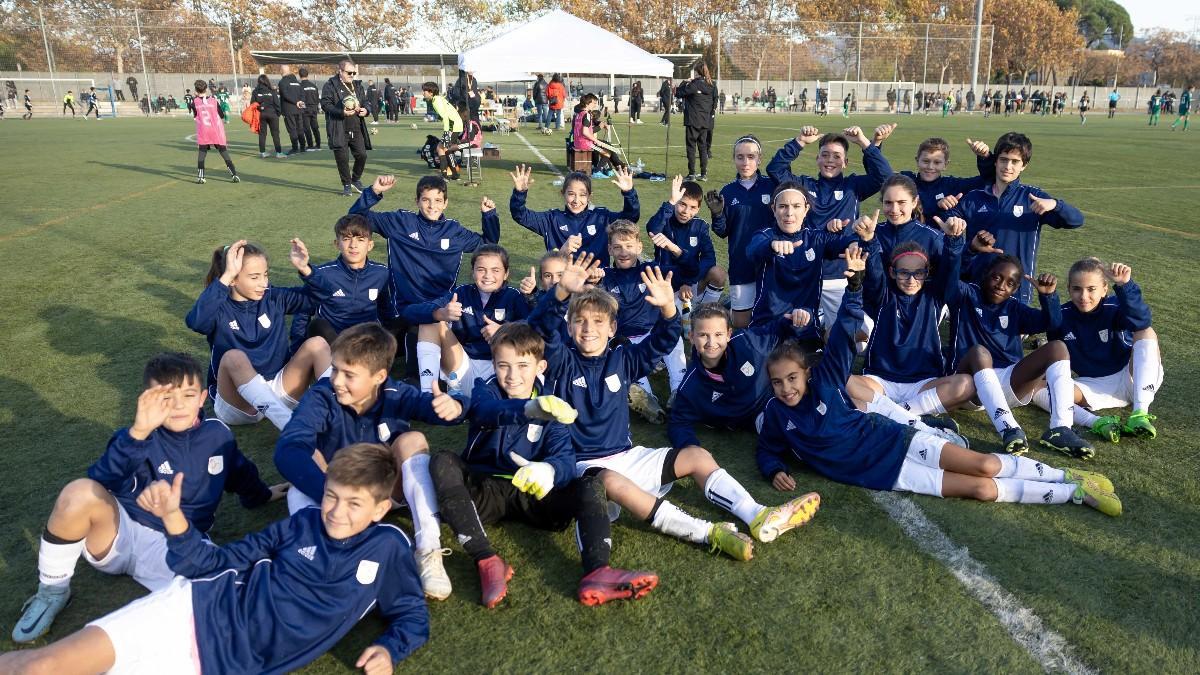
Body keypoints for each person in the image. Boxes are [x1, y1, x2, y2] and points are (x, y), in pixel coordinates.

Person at [1, 443, 431, 675]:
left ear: (379, 510)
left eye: (354, 505)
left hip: (222, 665)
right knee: (43, 666)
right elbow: (212, 564)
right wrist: (173, 519)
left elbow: (412, 613)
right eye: (332, 497)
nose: (336, 512)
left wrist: (389, 650)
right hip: (190, 610)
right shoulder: (300, 526)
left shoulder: (389, 546)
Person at [758, 247, 1121, 518]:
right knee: (979, 488)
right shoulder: (777, 413)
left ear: (808, 373)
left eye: (792, 378)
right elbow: (768, 447)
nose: (786, 388)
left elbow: (842, 336)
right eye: (777, 383)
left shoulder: (825, 384)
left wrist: (853, 286)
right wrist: (773, 468)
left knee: (985, 466)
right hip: (886, 474)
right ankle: (1075, 492)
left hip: (893, 437)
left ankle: (1068, 475)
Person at [527, 253, 822, 563]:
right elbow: (540, 329)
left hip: (627, 456)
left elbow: (664, 339)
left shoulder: (622, 359)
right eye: (580, 321)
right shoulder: (561, 360)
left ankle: (758, 515)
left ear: (612, 327)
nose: (589, 328)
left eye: (598, 321)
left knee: (696, 456)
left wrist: (669, 307)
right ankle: (707, 532)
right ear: (570, 327)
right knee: (611, 480)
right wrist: (561, 292)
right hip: (583, 468)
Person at [9, 353, 283, 644]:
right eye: (166, 397)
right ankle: (53, 590)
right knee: (78, 492)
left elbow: (237, 471)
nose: (178, 405)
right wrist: (138, 431)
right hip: (117, 535)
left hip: (178, 542)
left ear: (202, 397)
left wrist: (261, 495)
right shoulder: (135, 436)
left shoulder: (218, 435)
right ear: (147, 400)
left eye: (188, 395)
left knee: (220, 592)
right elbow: (102, 481)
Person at [430, 322, 660, 607]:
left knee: (590, 483)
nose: (513, 376)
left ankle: (598, 570)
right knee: (442, 460)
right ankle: (486, 559)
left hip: (533, 496)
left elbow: (564, 457)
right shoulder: (484, 390)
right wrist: (526, 409)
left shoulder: (553, 403)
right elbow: (486, 412)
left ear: (540, 367)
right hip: (485, 490)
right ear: (493, 364)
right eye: (503, 365)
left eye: (523, 366)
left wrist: (549, 470)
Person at [274, 324, 467, 599]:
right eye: (335, 369)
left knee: (413, 440)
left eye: (348, 374)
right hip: (341, 494)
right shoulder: (321, 395)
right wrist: (332, 494)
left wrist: (456, 405)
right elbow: (288, 449)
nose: (336, 380)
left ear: (379, 376)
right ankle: (318, 553)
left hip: (385, 493)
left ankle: (428, 549)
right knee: (301, 475)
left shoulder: (396, 392)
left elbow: (461, 408)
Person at [348, 174, 500, 391]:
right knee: (379, 346)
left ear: (445, 202)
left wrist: (489, 216)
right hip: (402, 308)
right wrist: (374, 192)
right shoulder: (400, 222)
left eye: (438, 200)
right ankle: (413, 372)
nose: (432, 205)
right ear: (417, 201)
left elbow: (488, 244)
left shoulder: (454, 231)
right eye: (426, 199)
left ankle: (419, 379)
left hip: (441, 307)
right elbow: (355, 220)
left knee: (423, 328)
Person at [949, 253, 1094, 458]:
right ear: (985, 275)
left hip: (1008, 382)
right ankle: (1008, 428)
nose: (1001, 285)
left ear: (1016, 289)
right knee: (980, 352)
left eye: (1010, 283)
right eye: (996, 277)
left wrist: (1048, 296)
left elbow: (1052, 323)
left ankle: (1060, 428)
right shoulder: (967, 295)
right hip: (969, 385)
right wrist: (956, 245)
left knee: (1057, 347)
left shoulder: (1014, 308)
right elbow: (948, 283)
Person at [186, 240, 331, 431]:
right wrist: (226, 275)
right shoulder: (218, 305)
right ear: (233, 279)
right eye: (254, 277)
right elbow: (196, 322)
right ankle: (291, 426)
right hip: (239, 404)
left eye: (265, 275)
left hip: (279, 387)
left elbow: (324, 296)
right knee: (233, 357)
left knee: (317, 344)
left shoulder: (272, 296)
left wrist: (306, 269)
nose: (263, 283)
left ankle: (339, 412)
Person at [767, 124, 896, 329]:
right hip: (807, 272)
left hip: (840, 274)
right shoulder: (804, 186)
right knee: (796, 333)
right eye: (825, 155)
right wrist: (800, 142)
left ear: (845, 162)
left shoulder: (853, 186)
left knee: (858, 337)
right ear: (817, 159)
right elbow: (775, 169)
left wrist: (864, 142)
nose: (830, 160)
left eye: (837, 156)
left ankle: (826, 325)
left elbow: (886, 176)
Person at [858, 206, 976, 423]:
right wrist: (869, 241)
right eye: (904, 272)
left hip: (924, 383)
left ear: (927, 273)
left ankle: (898, 413)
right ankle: (916, 414)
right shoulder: (882, 294)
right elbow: (874, 273)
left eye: (918, 273)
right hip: (881, 380)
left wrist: (954, 241)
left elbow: (951, 274)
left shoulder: (935, 295)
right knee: (843, 383)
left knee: (966, 384)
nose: (911, 279)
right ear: (892, 272)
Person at [946, 132, 1084, 306]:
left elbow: (1077, 220)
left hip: (1016, 290)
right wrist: (951, 218)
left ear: (1024, 166)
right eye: (1003, 160)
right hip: (976, 285)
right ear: (995, 161)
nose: (1008, 166)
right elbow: (950, 219)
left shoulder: (1033, 197)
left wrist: (1056, 204)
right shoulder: (974, 197)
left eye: (1015, 161)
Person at [1044, 259, 1162, 441]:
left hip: (1131, 377)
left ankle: (1140, 412)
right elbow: (1054, 352)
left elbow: (1141, 320)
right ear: (1068, 289)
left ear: (1104, 289)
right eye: (1077, 289)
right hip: (1093, 386)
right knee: (1041, 390)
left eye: (1091, 289)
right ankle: (1097, 422)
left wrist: (1125, 285)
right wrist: (1048, 299)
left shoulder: (1113, 307)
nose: (1084, 296)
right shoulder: (1061, 315)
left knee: (1146, 331)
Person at [404, 244, 531, 398]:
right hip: (462, 365)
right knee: (430, 321)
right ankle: (428, 394)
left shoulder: (514, 296)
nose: (487, 275)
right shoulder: (462, 293)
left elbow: (535, 328)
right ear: (472, 272)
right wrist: (441, 313)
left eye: (495, 270)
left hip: (499, 369)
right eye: (481, 269)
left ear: (506, 274)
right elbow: (410, 313)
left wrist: (505, 331)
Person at [600, 219, 685, 422]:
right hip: (624, 340)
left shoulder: (652, 270)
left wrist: (675, 250)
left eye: (629, 246)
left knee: (676, 341)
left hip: (652, 335)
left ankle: (679, 391)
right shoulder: (605, 276)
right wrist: (592, 282)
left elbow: (689, 271)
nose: (624, 251)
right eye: (618, 247)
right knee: (624, 358)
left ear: (639, 247)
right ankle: (648, 401)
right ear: (609, 249)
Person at [509, 164, 638, 267]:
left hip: (598, 284)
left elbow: (630, 218)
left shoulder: (602, 217)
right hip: (562, 284)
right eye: (571, 194)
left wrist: (629, 193)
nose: (576, 200)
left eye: (582, 195)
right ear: (563, 194)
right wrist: (520, 193)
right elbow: (520, 215)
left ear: (589, 196)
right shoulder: (551, 219)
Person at [290, 213, 388, 342]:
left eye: (360, 239)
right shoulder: (322, 274)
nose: (353, 245)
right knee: (318, 325)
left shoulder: (382, 273)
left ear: (370, 245)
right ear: (337, 244)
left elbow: (387, 310)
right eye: (347, 239)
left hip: (365, 341)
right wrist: (297, 348)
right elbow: (303, 312)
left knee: (407, 319)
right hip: (333, 340)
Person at [711, 135, 776, 328]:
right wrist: (717, 215)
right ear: (734, 159)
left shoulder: (772, 186)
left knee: (771, 317)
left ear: (760, 159)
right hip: (741, 264)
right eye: (740, 157)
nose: (745, 162)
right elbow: (722, 231)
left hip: (770, 262)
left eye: (751, 156)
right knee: (741, 323)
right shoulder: (728, 192)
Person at [647, 176, 727, 323]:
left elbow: (709, 259)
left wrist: (689, 282)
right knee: (671, 324)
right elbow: (652, 229)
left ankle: (705, 311)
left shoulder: (700, 226)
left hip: (690, 282)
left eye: (692, 207)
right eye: (682, 204)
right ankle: (683, 312)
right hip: (667, 283)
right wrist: (670, 202)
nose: (686, 211)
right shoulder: (665, 221)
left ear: (698, 209)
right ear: (676, 202)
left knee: (718, 273)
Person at [897, 137, 993, 227]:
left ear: (945, 165)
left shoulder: (951, 185)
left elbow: (987, 181)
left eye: (937, 162)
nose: (930, 167)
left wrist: (985, 158)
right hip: (906, 242)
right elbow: (884, 176)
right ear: (917, 161)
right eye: (926, 161)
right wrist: (937, 205)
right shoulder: (907, 181)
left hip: (940, 244)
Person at [322, 60, 372, 196]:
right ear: (340, 71)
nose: (352, 75)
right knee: (342, 159)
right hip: (339, 128)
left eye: (354, 73)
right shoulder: (330, 85)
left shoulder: (357, 85)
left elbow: (366, 101)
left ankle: (355, 179)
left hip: (356, 127)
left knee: (362, 155)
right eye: (349, 72)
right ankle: (346, 184)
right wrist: (341, 112)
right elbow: (325, 104)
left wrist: (366, 110)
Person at [190, 79, 239, 184]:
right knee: (224, 153)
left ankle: (201, 177)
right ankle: (234, 175)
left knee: (202, 154)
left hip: (204, 131)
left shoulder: (195, 102)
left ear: (196, 90)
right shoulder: (213, 100)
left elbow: (195, 116)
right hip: (215, 131)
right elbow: (221, 115)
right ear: (206, 89)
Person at [677, 62, 716, 181]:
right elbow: (714, 100)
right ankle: (703, 174)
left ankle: (692, 174)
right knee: (703, 147)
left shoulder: (695, 84)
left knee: (691, 147)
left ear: (697, 72)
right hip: (705, 121)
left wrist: (685, 82)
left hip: (693, 120)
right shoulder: (711, 85)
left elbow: (679, 93)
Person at [251, 74, 284, 158]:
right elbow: (277, 103)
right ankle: (279, 153)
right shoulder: (272, 91)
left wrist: (259, 108)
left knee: (262, 134)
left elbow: (253, 104)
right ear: (267, 81)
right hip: (272, 114)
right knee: (275, 134)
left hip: (261, 115)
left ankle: (263, 152)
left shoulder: (255, 91)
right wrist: (278, 113)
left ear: (258, 82)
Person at [278, 64, 307, 155]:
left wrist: (296, 102)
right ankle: (302, 147)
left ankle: (295, 148)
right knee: (300, 128)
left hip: (289, 109)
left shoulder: (282, 82)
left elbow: (285, 95)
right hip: (299, 109)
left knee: (292, 129)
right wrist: (300, 102)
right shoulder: (297, 82)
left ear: (281, 71)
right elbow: (302, 94)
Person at [299, 67, 321, 151]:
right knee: (315, 127)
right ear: (307, 75)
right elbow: (317, 98)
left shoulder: (300, 86)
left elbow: (301, 99)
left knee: (307, 128)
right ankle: (318, 144)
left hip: (305, 110)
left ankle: (310, 145)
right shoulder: (313, 86)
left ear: (299, 75)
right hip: (314, 109)